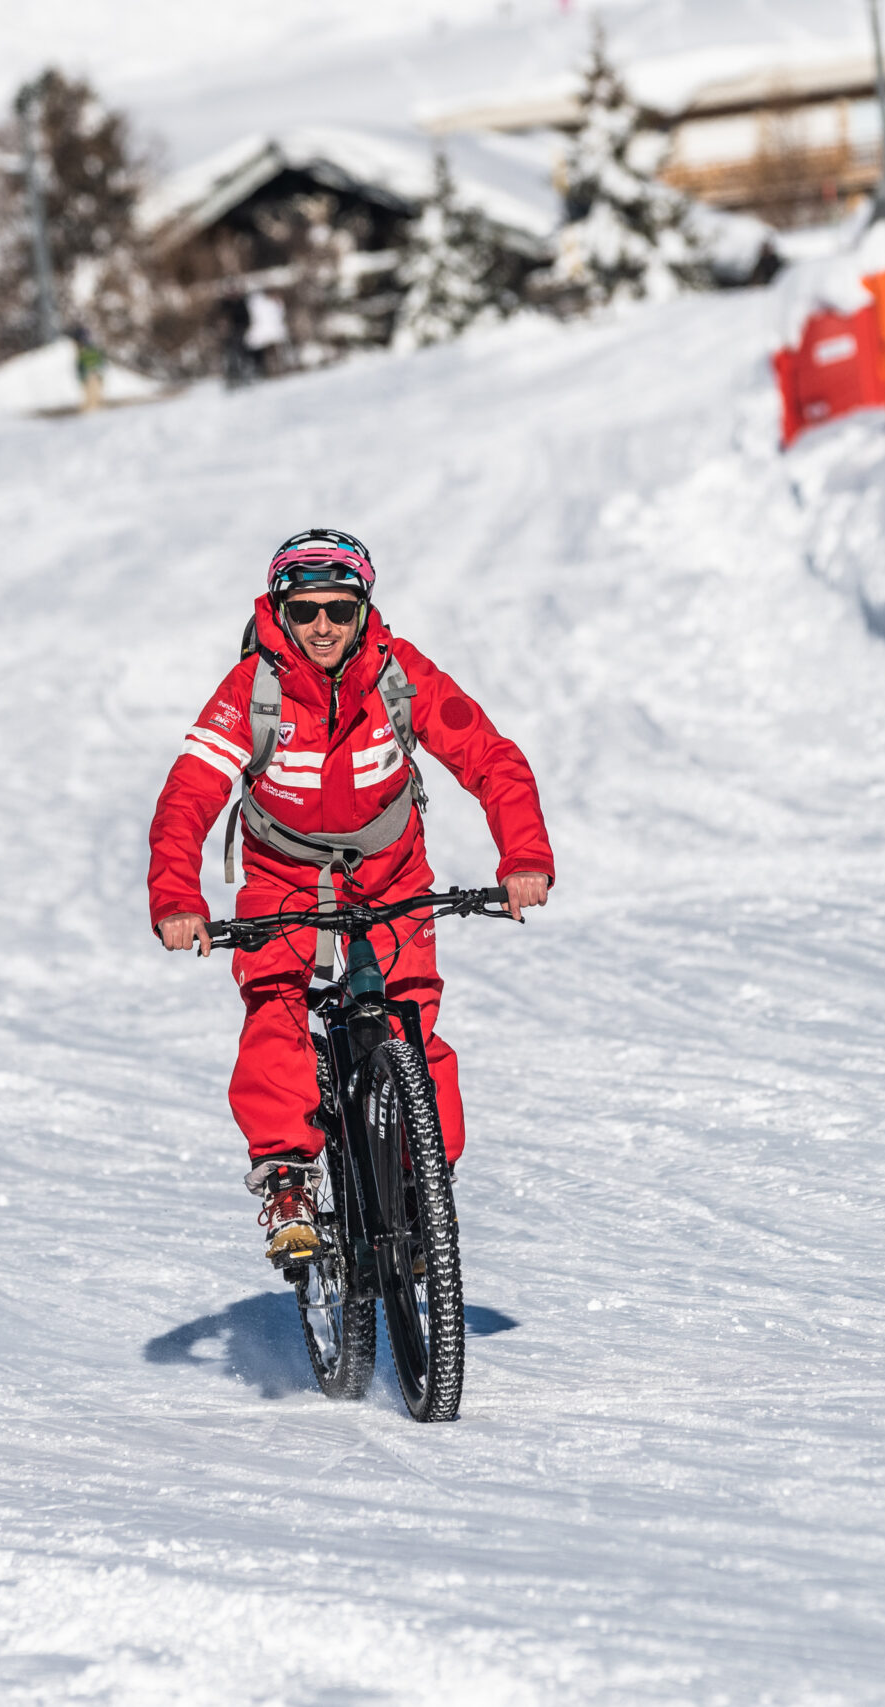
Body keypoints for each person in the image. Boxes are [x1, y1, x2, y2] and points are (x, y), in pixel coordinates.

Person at [147, 528, 554, 1262]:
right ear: (280, 611)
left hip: (389, 871)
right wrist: (178, 898)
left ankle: (423, 1185)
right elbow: (189, 795)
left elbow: (491, 759)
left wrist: (523, 857)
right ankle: (288, 1181)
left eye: (339, 608)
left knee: (411, 1024)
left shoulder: (401, 674)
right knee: (276, 1004)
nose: (323, 626)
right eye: (305, 611)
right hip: (284, 875)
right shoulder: (252, 690)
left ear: (364, 608)